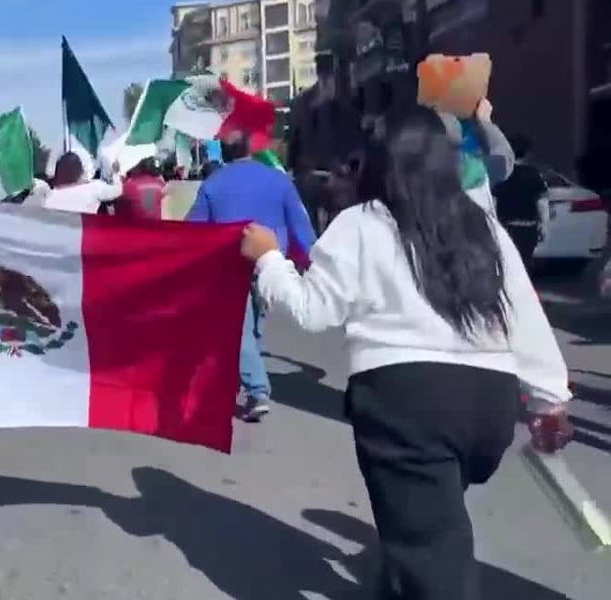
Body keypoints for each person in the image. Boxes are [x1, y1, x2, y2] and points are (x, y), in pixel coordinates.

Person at [239, 106, 572, 600]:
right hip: (488, 407)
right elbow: (522, 314)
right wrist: (550, 401)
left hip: (406, 405)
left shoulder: (363, 223)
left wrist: (268, 257)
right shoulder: (481, 225)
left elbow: (312, 310)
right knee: (422, 528)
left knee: (434, 554)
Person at [187, 130, 317, 422]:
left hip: (229, 265)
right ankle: (251, 385)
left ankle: (257, 389)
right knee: (254, 326)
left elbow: (194, 230)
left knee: (239, 329)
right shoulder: (279, 181)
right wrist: (312, 259)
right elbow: (300, 224)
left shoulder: (213, 184)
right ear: (250, 147)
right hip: (270, 262)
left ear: (221, 150)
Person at [492, 135, 549, 267]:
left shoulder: (502, 174)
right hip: (527, 228)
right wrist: (544, 225)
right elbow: (542, 203)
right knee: (525, 263)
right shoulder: (533, 175)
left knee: (507, 264)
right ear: (528, 154)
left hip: (506, 227)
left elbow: (494, 202)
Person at [41, 151, 122, 215]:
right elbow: (118, 190)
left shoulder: (49, 197)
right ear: (80, 170)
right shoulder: (93, 189)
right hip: (87, 233)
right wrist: (115, 173)